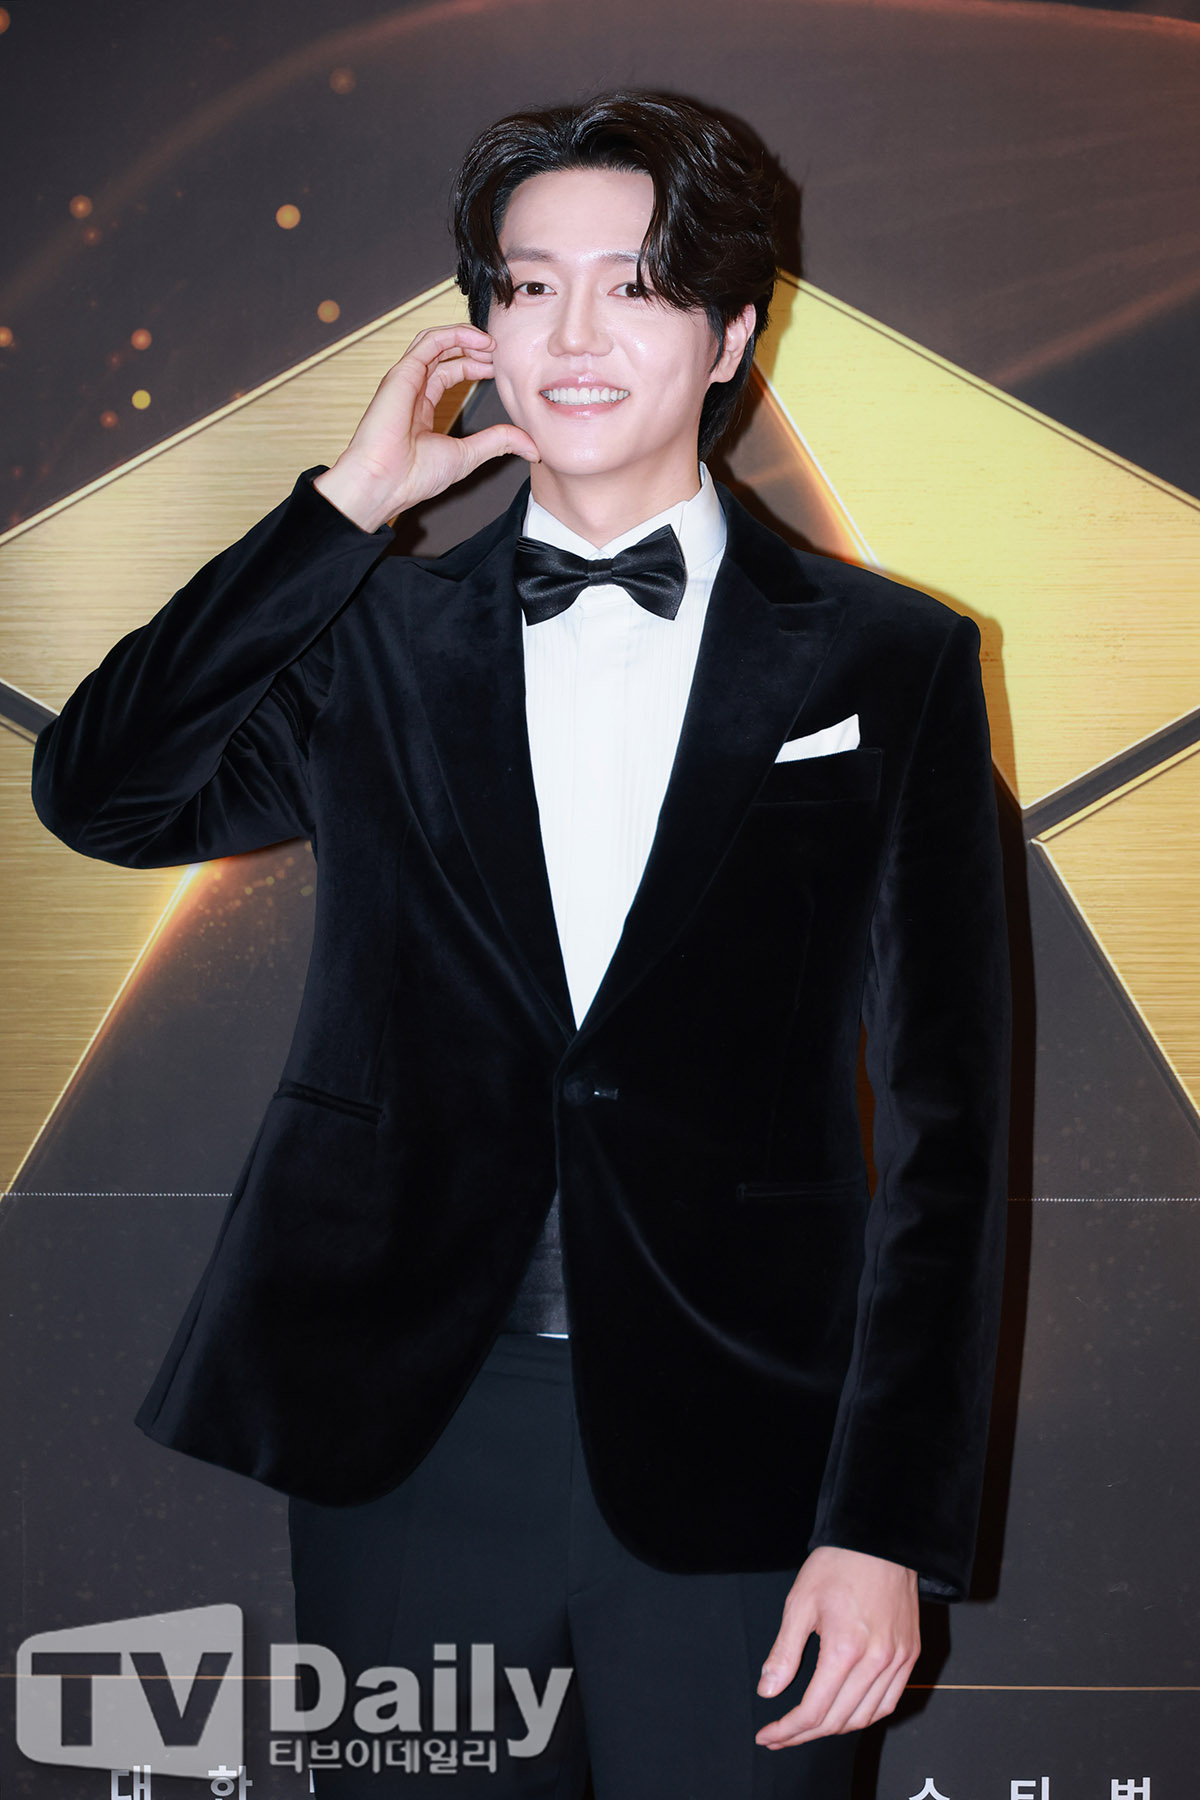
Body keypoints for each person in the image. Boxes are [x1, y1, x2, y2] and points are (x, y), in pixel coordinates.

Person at [31, 91, 1011, 1799]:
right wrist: (345, 508)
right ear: (478, 322)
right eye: (527, 284)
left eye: (634, 286)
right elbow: (105, 794)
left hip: (751, 1440)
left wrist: (883, 1525)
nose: (571, 335)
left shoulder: (889, 660)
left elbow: (953, 1128)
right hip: (410, 1426)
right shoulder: (374, 638)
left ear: (730, 334)